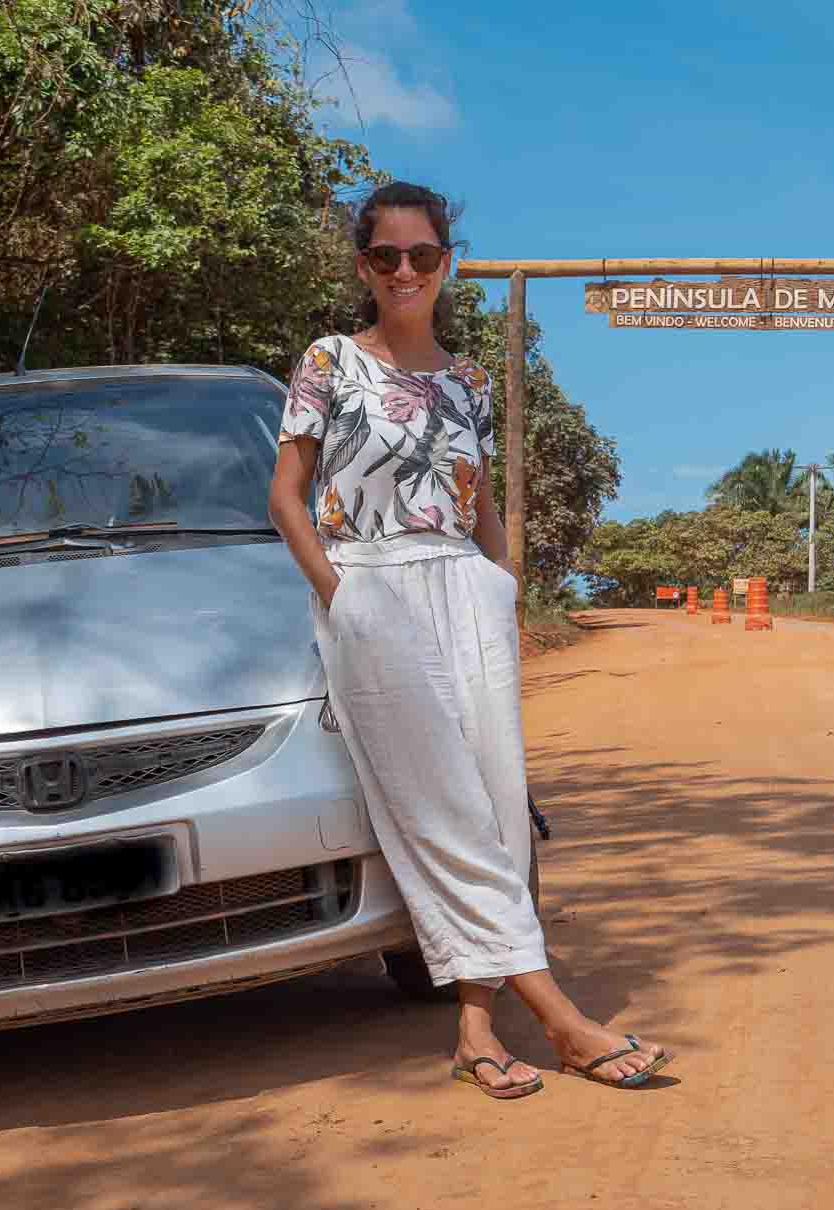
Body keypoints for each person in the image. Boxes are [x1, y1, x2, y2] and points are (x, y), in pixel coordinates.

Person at [267, 181, 669, 1099]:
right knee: (442, 812)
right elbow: (285, 499)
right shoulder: (329, 362)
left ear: (449, 263)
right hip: (371, 589)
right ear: (362, 267)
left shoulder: (470, 382)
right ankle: (563, 1020)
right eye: (384, 257)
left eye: (423, 255)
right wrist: (342, 599)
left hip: (467, 592)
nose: (404, 272)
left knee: (492, 810)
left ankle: (478, 1030)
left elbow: (481, 506)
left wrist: (505, 593)